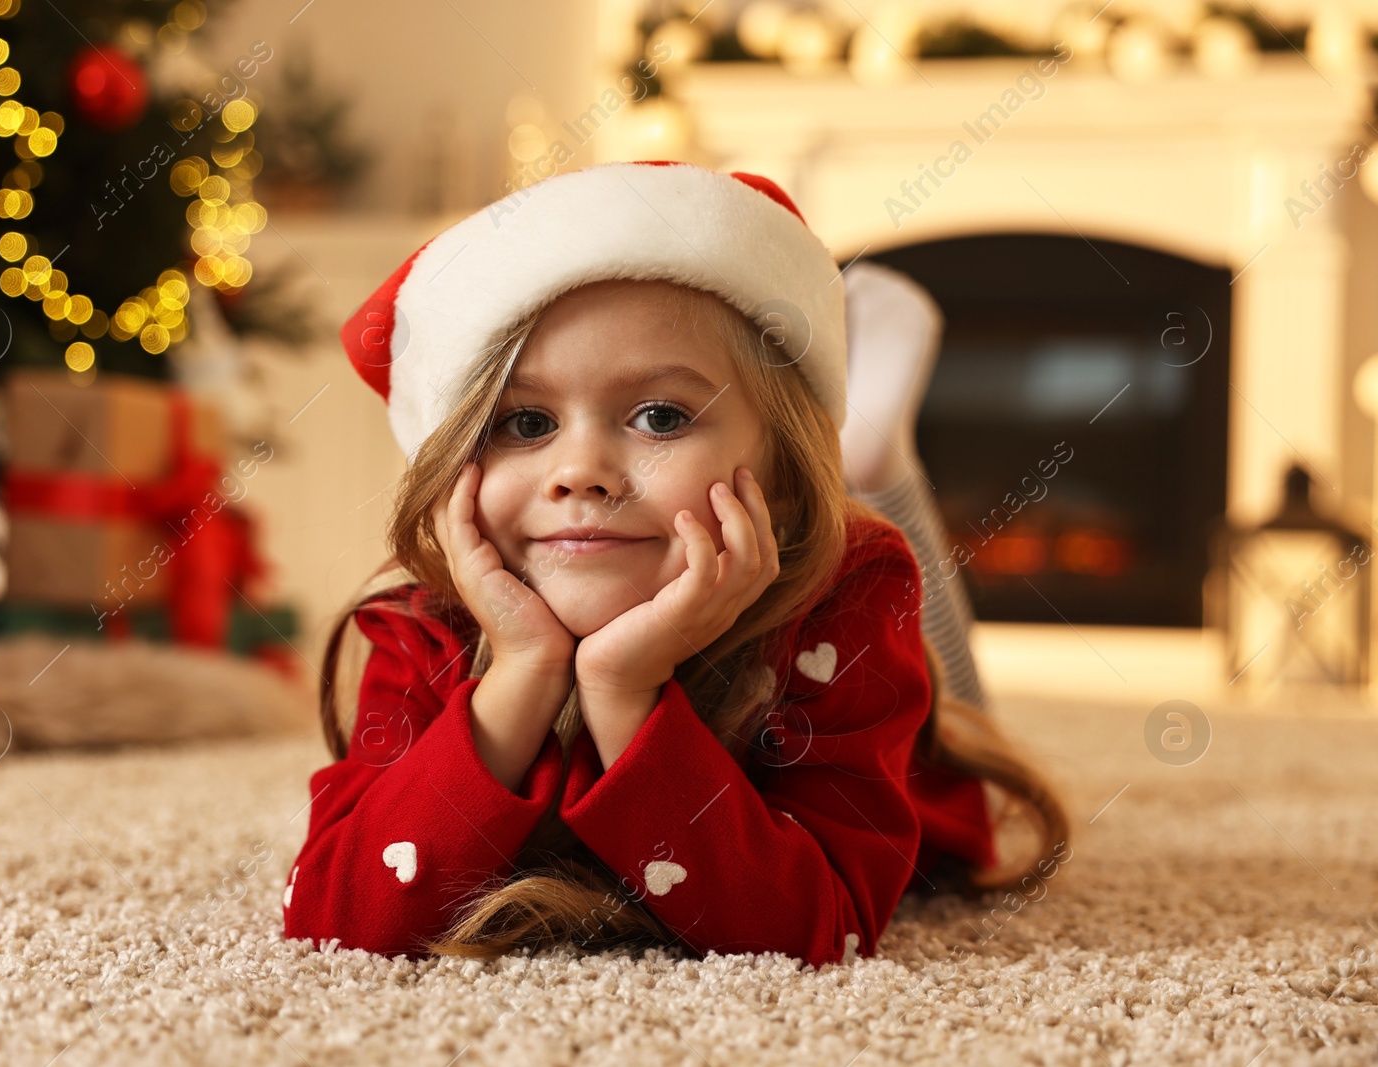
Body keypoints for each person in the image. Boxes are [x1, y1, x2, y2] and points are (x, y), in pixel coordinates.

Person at [282, 161, 1067, 968]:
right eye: (524, 423)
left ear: (782, 477)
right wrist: (520, 671)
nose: (579, 469)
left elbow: (816, 930)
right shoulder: (424, 626)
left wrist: (624, 691)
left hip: (903, 725)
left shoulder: (848, 599)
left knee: (957, 695)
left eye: (660, 416)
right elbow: (333, 916)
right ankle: (868, 453)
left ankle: (874, 461)